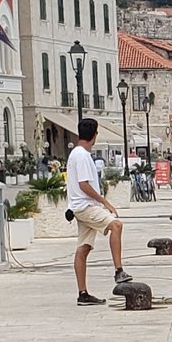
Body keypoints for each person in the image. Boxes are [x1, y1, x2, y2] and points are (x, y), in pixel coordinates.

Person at [67, 118, 131, 305]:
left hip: (79, 206)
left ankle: (83, 293)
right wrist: (105, 202)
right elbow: (84, 185)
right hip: (86, 206)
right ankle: (119, 271)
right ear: (94, 135)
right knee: (116, 225)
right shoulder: (83, 156)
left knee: (83, 248)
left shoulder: (75, 154)